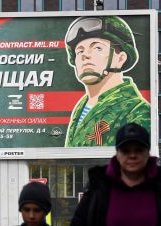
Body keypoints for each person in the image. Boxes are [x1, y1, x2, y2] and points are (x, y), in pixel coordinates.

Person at [64, 16, 151, 147]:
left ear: (120, 59)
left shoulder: (137, 111)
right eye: (79, 51)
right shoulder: (81, 108)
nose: (84, 55)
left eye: (97, 48)